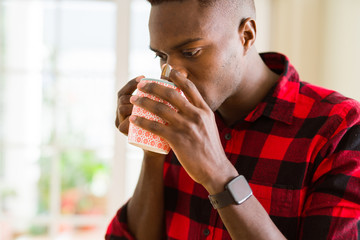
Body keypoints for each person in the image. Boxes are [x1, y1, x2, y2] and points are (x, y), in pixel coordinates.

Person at [106, 0, 360, 239]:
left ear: (246, 35)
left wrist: (218, 175)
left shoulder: (340, 127)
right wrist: (153, 150)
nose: (171, 74)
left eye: (191, 52)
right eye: (161, 56)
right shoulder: (179, 119)